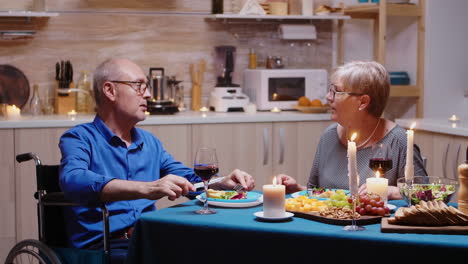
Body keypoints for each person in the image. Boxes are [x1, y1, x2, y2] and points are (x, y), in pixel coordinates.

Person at [59, 58, 255, 263]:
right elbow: (74, 180)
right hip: (104, 248)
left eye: (147, 87)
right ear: (110, 90)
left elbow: (188, 179)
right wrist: (147, 188)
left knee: (222, 249)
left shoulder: (150, 143)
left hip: (149, 240)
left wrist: (222, 183)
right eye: (138, 86)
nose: (148, 94)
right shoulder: (79, 138)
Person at [279, 61, 427, 199]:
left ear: (363, 102)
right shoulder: (329, 136)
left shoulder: (399, 141)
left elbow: (425, 195)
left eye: (336, 91)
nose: (328, 96)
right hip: (330, 223)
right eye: (330, 90)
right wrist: (297, 189)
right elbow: (317, 192)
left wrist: (392, 191)